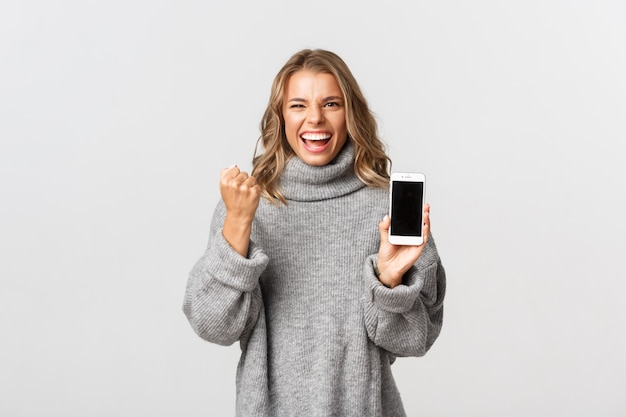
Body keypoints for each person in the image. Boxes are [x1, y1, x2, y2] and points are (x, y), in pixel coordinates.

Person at [183, 48, 446, 417]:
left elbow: (415, 340)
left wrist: (389, 281)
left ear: (350, 112)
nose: (315, 119)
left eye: (332, 104)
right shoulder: (248, 204)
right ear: (281, 116)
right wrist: (238, 225)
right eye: (298, 105)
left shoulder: (387, 209)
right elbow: (214, 326)